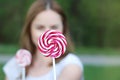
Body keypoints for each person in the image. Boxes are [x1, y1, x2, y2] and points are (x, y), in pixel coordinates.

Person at [3, 0, 84, 80]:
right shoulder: (18, 63)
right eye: (40, 27)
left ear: (63, 29)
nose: (47, 33)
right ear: (29, 29)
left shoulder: (71, 65)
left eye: (54, 27)